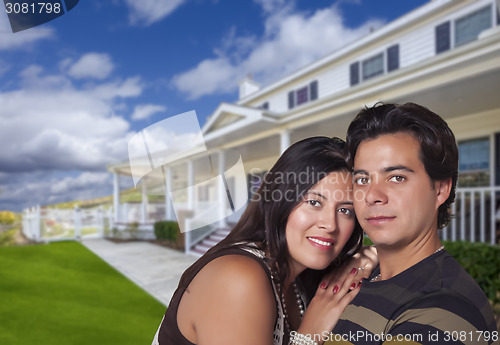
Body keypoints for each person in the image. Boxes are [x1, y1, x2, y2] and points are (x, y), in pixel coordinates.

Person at [151, 136, 375, 345]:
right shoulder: (237, 278)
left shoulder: (299, 279)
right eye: (314, 203)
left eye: (346, 210)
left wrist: (370, 256)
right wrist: (309, 335)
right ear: (278, 202)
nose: (331, 224)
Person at [327, 103, 498, 345]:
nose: (372, 195)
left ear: (440, 190)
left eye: (397, 177)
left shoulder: (443, 309)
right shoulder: (363, 277)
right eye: (362, 178)